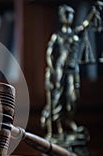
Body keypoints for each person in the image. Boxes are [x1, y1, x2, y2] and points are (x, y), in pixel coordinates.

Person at [41, 3, 102, 140]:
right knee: (59, 97)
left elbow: (86, 24)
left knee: (73, 97)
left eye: (71, 14)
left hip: (74, 69)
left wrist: (94, 11)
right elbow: (49, 53)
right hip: (61, 69)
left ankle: (68, 120)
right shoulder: (58, 35)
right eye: (66, 14)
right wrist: (51, 70)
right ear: (61, 16)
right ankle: (58, 127)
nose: (69, 17)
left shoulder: (75, 32)